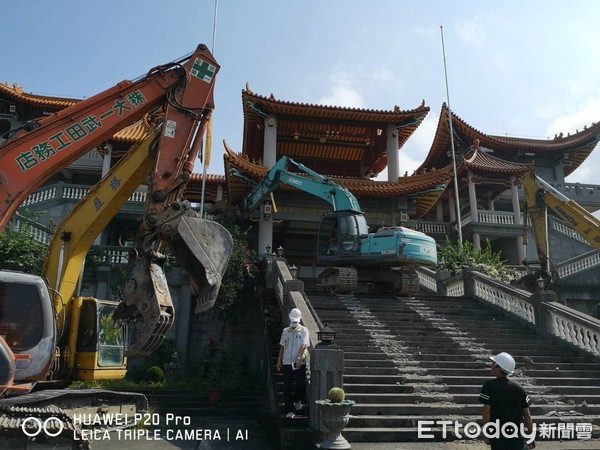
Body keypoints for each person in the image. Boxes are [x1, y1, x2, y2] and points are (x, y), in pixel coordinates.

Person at [479, 352, 535, 450]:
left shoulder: (489, 386)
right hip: (517, 436)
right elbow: (527, 414)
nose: (491, 366)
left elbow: (486, 411)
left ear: (498, 368)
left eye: (493, 364)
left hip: (498, 436)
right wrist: (531, 435)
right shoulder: (519, 388)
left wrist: (486, 433)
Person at [276, 307, 310, 418]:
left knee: (300, 384)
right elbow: (282, 346)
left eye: (295, 321)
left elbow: (304, 345)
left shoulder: (304, 330)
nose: (294, 322)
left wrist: (299, 358)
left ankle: (297, 400)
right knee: (287, 387)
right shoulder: (285, 331)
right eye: (292, 320)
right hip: (286, 362)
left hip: (299, 363)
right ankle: (289, 410)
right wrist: (279, 360)